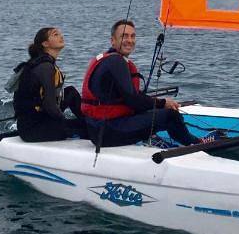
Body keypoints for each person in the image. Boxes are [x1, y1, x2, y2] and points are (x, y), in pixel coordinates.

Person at [81, 19, 210, 148]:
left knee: (153, 110)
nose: (129, 40)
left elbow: (131, 100)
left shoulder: (109, 60)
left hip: (98, 130)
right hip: (108, 132)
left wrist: (158, 104)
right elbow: (134, 100)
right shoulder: (116, 61)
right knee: (170, 115)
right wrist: (163, 103)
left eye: (132, 36)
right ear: (113, 41)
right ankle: (197, 144)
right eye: (124, 36)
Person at [12, 27, 87, 143]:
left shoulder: (44, 63)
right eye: (55, 34)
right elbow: (49, 106)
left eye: (60, 34)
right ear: (45, 43)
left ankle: (89, 121)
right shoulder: (45, 67)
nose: (61, 36)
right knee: (81, 128)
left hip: (39, 119)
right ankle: (89, 125)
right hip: (32, 130)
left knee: (70, 93)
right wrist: (64, 122)